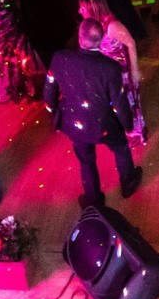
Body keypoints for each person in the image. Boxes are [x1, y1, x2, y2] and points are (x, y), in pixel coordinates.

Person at [44, 19, 143, 207]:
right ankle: (128, 183)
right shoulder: (110, 67)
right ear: (100, 40)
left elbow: (49, 90)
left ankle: (94, 200)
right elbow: (119, 103)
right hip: (104, 125)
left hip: (74, 123)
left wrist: (55, 111)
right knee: (121, 147)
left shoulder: (60, 58)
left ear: (80, 37)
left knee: (86, 161)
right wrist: (128, 125)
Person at [79, 0, 145, 143]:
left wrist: (135, 70)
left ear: (92, 9)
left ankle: (133, 133)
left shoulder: (112, 26)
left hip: (121, 74)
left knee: (127, 104)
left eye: (82, 8)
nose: (79, 12)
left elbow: (131, 43)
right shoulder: (92, 26)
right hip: (107, 75)